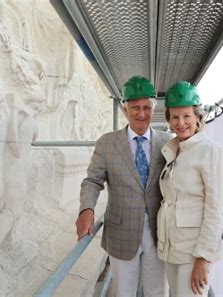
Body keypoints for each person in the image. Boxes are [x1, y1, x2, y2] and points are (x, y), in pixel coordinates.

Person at [75, 76, 171, 297]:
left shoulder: (167, 142)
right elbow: (93, 181)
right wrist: (86, 209)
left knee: (157, 291)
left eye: (146, 107)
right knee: (124, 291)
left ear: (153, 108)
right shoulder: (107, 143)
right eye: (135, 107)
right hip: (121, 231)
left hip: (159, 231)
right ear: (124, 108)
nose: (141, 113)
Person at [157, 81, 223, 297]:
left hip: (192, 253)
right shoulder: (175, 149)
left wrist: (203, 258)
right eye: (175, 117)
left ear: (198, 116)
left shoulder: (210, 151)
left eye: (186, 116)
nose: (181, 123)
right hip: (171, 248)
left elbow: (215, 208)